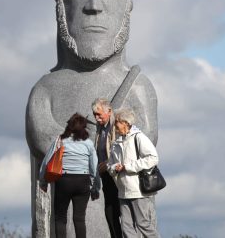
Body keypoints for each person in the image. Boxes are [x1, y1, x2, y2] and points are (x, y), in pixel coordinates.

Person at [25, 0, 158, 237]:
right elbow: (43, 139)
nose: (93, 4)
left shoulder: (138, 86)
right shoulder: (44, 91)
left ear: (128, 2)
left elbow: (146, 141)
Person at [39, 113, 100, 238]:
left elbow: (46, 161)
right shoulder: (88, 144)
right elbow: (94, 167)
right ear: (83, 128)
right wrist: (95, 187)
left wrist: (43, 181)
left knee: (60, 217)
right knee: (79, 218)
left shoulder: (60, 140)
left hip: (64, 181)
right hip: (82, 182)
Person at [108, 109, 160, 238]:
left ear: (125, 122)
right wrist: (115, 167)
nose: (115, 126)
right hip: (122, 191)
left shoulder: (139, 137)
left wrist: (128, 167)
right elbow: (110, 165)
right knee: (126, 227)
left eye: (117, 123)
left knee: (143, 224)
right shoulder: (116, 143)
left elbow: (153, 158)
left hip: (138, 190)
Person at [92, 98, 123, 238]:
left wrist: (107, 163)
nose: (97, 118)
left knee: (122, 211)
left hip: (118, 174)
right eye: (95, 115)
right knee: (110, 212)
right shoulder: (100, 128)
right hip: (106, 175)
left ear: (109, 111)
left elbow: (121, 150)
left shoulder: (117, 125)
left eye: (99, 115)